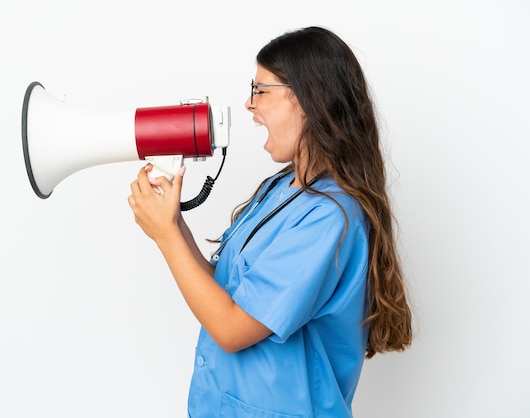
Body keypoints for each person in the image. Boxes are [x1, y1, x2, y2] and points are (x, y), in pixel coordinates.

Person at [128, 26, 412, 418]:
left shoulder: (330, 217)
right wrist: (173, 225)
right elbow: (225, 289)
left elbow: (231, 329)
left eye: (260, 90)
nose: (248, 104)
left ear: (309, 100)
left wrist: (165, 239)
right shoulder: (282, 188)